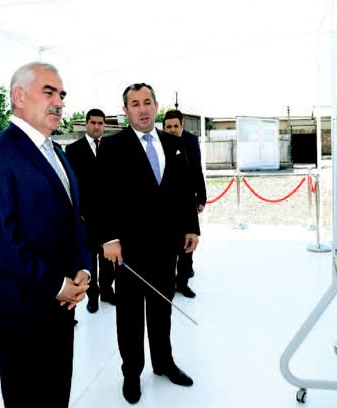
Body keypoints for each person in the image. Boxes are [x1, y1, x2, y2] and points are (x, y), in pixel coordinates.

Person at [0, 62, 91, 408]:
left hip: (63, 305)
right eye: (48, 92)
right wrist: (56, 284)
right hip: (21, 310)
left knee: (56, 396)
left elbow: (75, 220)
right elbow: (0, 240)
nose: (59, 102)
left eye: (61, 95)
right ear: (19, 97)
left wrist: (83, 268)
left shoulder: (58, 153)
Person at [96, 83, 200, 404]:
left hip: (166, 245)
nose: (142, 109)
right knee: (129, 315)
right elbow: (101, 196)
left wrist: (191, 227)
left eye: (147, 102)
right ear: (125, 110)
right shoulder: (112, 146)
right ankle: (131, 373)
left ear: (156, 105)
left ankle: (164, 363)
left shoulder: (174, 143)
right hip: (128, 249)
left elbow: (184, 190)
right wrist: (109, 239)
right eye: (135, 104)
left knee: (161, 307)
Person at [65, 108, 116, 313]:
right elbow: (71, 184)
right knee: (90, 257)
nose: (97, 126)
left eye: (100, 123)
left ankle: (107, 290)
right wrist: (77, 211)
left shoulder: (111, 147)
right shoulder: (73, 150)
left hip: (109, 214)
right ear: (86, 124)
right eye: (93, 122)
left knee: (108, 256)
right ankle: (92, 296)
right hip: (86, 215)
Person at [162, 109, 207, 298]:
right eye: (168, 126)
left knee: (187, 245)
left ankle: (183, 283)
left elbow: (197, 170)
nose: (172, 129)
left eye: (175, 126)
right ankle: (168, 284)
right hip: (164, 204)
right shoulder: (157, 144)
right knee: (167, 248)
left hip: (187, 202)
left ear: (182, 126)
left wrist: (201, 197)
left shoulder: (190, 142)